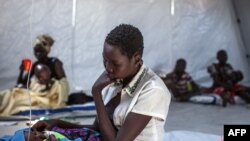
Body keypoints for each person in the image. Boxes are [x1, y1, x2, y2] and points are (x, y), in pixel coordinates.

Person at [32, 24, 171, 141]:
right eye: (105, 60)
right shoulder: (115, 80)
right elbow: (97, 130)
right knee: (39, 134)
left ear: (136, 58)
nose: (108, 68)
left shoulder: (153, 90)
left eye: (115, 64)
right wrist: (56, 123)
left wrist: (96, 93)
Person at [0, 64, 69, 116]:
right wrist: (21, 72)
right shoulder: (33, 82)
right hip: (30, 96)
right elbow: (20, 86)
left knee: (14, 98)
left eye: (44, 76)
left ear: (49, 73)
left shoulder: (55, 84)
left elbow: (53, 97)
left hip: (41, 100)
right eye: (39, 76)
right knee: (10, 93)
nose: (41, 79)